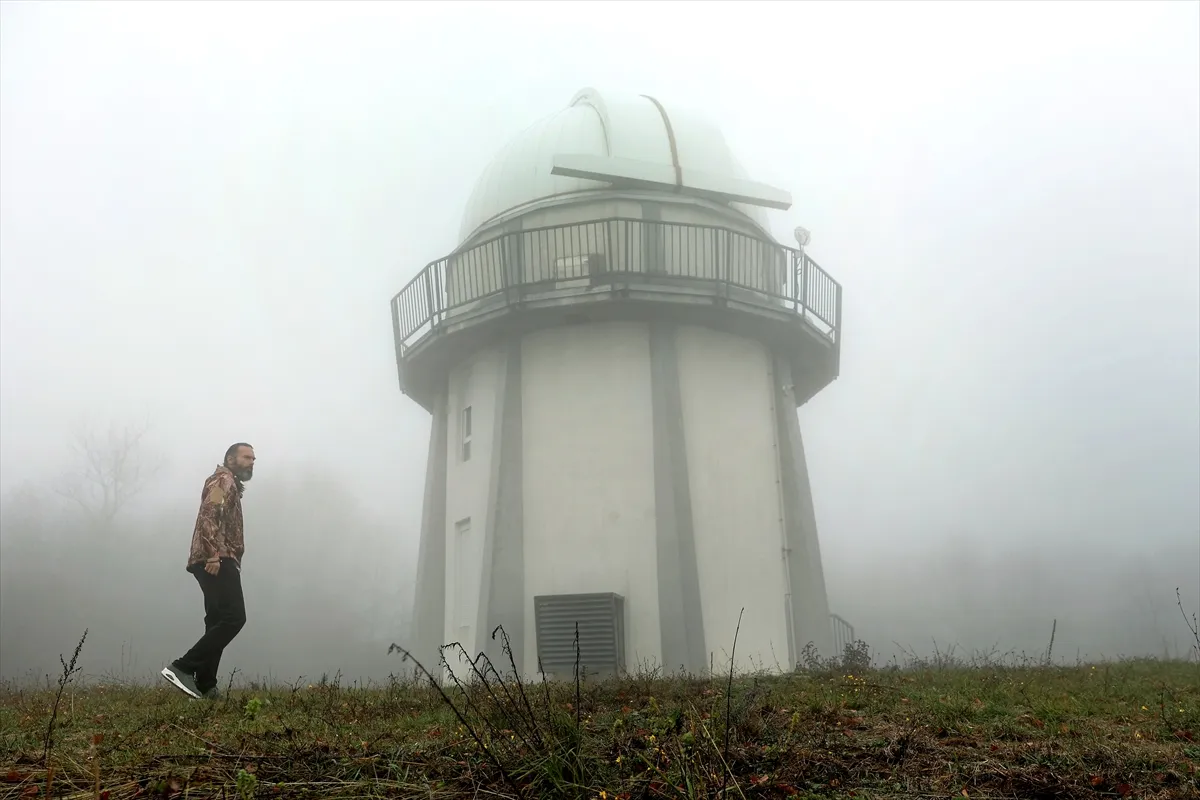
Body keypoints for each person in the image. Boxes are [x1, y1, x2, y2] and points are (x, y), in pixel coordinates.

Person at [161, 443, 255, 699]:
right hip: (217, 559)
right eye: (246, 457)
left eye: (253, 458)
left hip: (218, 558)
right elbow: (209, 515)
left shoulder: (228, 481)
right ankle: (182, 667)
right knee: (234, 618)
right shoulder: (222, 480)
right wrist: (213, 555)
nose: (252, 461)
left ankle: (205, 684)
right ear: (230, 458)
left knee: (216, 620)